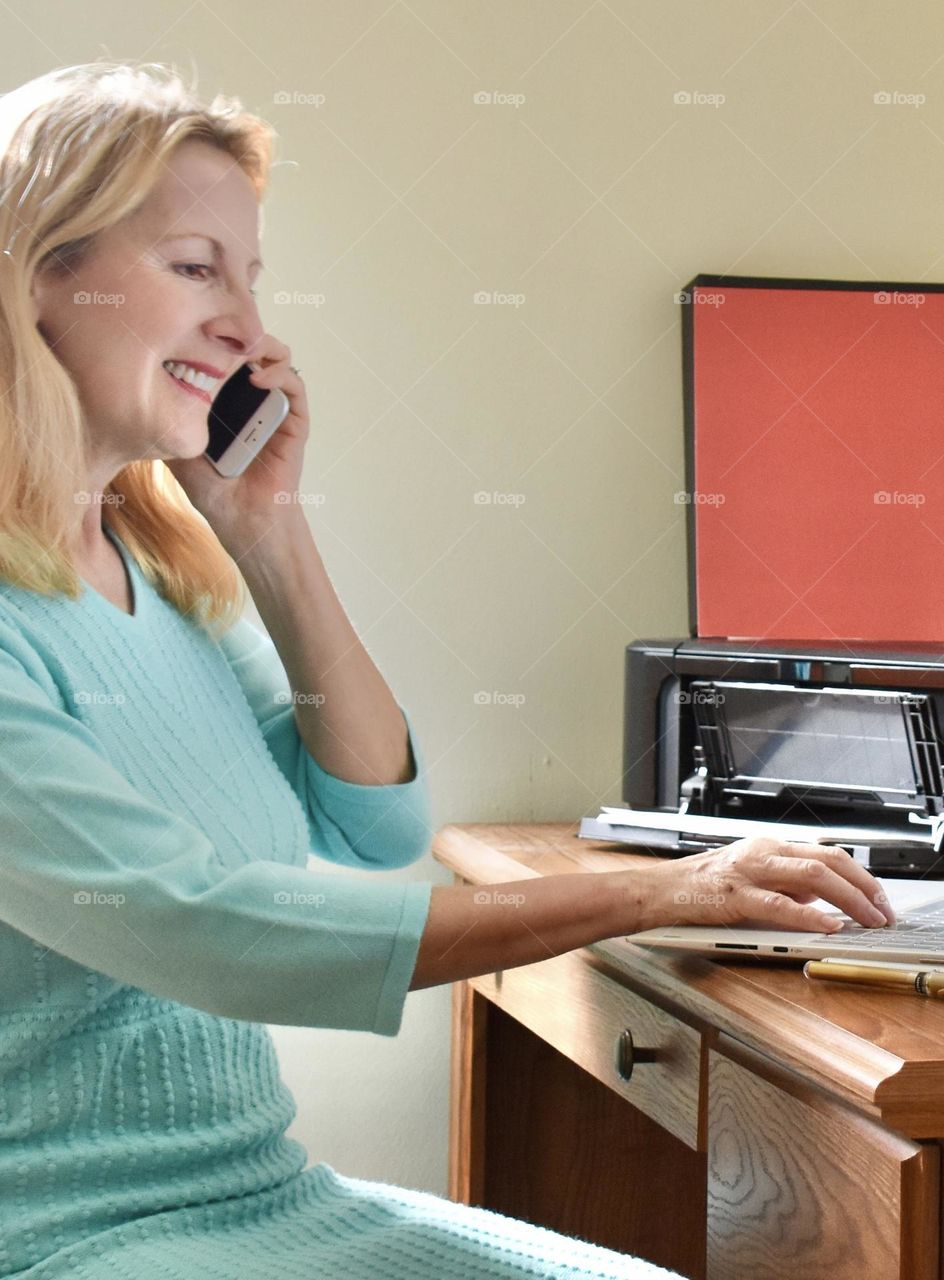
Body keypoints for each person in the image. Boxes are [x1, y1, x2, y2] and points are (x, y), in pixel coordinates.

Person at [0, 60, 894, 1280]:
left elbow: (372, 823)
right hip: (62, 1235)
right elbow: (206, 931)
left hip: (262, 1191)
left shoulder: (154, 578)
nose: (250, 332)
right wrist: (660, 889)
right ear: (37, 273)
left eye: (250, 280)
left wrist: (268, 534)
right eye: (195, 266)